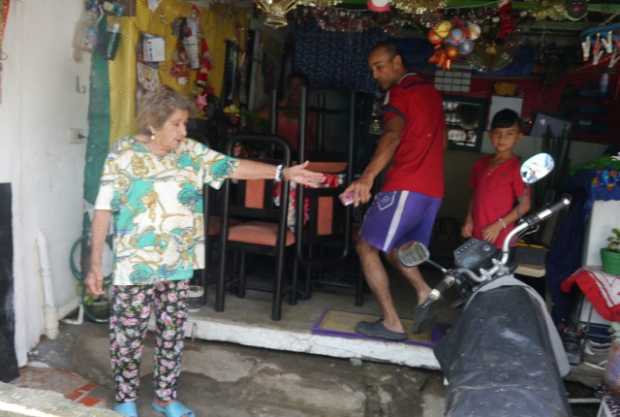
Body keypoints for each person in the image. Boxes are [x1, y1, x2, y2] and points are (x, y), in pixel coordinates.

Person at [85, 87, 324, 417]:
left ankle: (165, 398)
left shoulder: (190, 153)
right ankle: (125, 399)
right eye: (177, 124)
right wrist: (95, 262)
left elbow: (232, 167)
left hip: (178, 262)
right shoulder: (123, 155)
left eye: (185, 124)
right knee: (127, 335)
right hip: (135, 265)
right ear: (153, 124)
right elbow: (103, 209)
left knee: (172, 334)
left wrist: (282, 172)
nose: (184, 132)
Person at [342, 42, 446, 341]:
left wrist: (368, 177)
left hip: (406, 184)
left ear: (397, 62)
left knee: (365, 244)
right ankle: (425, 291)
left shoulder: (401, 92)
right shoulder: (431, 93)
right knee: (393, 246)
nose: (376, 74)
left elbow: (392, 133)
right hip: (431, 189)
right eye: (372, 68)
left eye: (380, 66)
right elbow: (441, 143)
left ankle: (391, 322)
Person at [461, 108, 531, 247]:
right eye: (497, 133)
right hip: (477, 234)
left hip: (501, 238)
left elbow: (525, 205)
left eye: (509, 134)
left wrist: (499, 225)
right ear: (489, 135)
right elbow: (475, 195)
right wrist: (469, 220)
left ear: (518, 137)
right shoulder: (480, 164)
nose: (502, 138)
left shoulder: (518, 169)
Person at [258, 72, 316, 154]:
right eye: (291, 85)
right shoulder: (277, 108)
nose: (294, 89)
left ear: (305, 88)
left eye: (298, 86)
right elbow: (258, 117)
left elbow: (315, 141)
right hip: (277, 154)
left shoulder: (311, 113)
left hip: (302, 156)